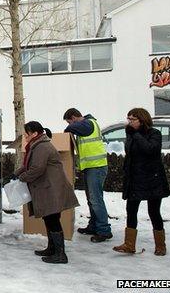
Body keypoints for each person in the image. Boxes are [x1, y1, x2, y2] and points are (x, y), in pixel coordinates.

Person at [14, 121, 79, 264]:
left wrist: (22, 178)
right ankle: (52, 249)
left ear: (35, 134)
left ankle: (60, 254)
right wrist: (17, 173)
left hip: (52, 189)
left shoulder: (42, 147)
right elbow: (28, 165)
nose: (25, 136)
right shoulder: (38, 145)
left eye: (27, 133)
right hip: (49, 189)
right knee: (49, 218)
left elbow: (37, 168)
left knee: (53, 220)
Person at [113, 108, 169, 256]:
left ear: (142, 119)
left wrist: (136, 135)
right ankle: (129, 244)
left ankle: (160, 245)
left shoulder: (154, 133)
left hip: (152, 178)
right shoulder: (130, 134)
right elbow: (130, 154)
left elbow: (151, 150)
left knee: (154, 212)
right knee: (131, 210)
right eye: (128, 119)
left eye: (133, 119)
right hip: (135, 178)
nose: (130, 122)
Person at [63, 108, 112, 243]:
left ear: (74, 117)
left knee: (96, 199)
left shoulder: (88, 123)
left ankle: (104, 231)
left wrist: (69, 128)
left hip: (96, 166)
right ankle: (94, 226)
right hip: (91, 167)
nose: (69, 125)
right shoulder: (86, 125)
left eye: (69, 121)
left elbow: (69, 129)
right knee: (91, 199)